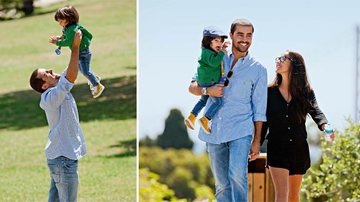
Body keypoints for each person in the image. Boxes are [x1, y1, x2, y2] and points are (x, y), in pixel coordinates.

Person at [188, 19, 267, 202]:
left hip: (241, 129)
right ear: (231, 36)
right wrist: (208, 91)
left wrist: (257, 141)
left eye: (249, 35)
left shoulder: (258, 70)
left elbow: (259, 108)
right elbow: (192, 87)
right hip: (214, 129)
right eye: (240, 34)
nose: (244, 39)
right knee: (222, 184)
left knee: (238, 175)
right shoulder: (215, 56)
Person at [260, 51, 335, 202]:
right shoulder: (269, 92)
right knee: (281, 196)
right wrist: (256, 145)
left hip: (298, 149)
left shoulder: (306, 92)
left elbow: (316, 111)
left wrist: (326, 126)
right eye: (278, 58)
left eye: (283, 59)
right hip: (277, 148)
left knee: (293, 197)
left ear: (294, 64)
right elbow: (264, 122)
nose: (278, 61)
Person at [30, 30, 86, 202]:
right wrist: (74, 48)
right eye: (46, 73)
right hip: (63, 160)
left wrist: (74, 44)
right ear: (45, 85)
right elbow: (70, 78)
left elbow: (72, 69)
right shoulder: (50, 97)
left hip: (61, 158)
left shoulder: (56, 89)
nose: (50, 69)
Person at [49, 5, 105, 98]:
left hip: (83, 53)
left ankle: (97, 85)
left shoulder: (73, 29)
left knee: (85, 71)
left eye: (61, 21)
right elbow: (66, 36)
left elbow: (68, 42)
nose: (60, 23)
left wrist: (57, 42)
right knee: (81, 69)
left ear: (68, 19)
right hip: (79, 52)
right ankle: (93, 78)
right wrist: (59, 37)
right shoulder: (68, 27)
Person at [185, 26, 229, 134]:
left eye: (221, 41)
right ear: (208, 41)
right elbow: (214, 62)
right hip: (210, 82)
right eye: (216, 40)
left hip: (205, 81)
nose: (219, 43)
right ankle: (206, 119)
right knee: (218, 102)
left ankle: (192, 117)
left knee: (203, 100)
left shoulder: (207, 52)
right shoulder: (207, 53)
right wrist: (222, 52)